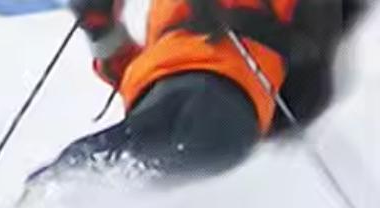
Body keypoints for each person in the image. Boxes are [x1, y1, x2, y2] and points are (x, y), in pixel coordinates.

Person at [28, 0, 365, 184]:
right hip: (165, 99)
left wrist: (242, 27)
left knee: (88, 174)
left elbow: (311, 68)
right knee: (83, 169)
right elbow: (142, 69)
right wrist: (101, 29)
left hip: (226, 99)